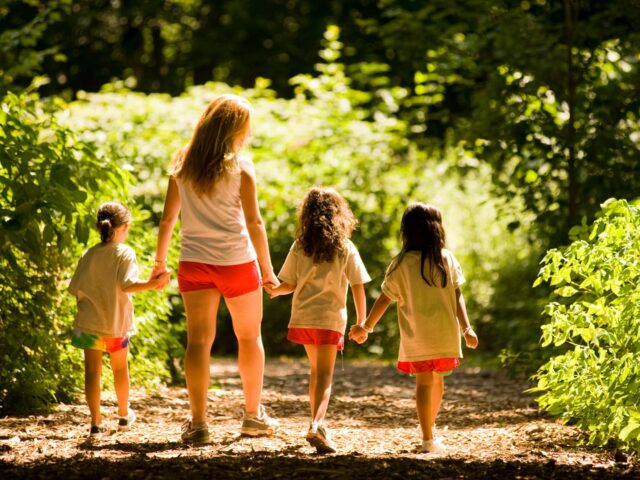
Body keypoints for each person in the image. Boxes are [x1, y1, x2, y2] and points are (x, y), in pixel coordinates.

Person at [150, 94, 280, 445]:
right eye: (246, 129)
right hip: (237, 262)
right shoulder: (241, 167)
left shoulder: (183, 162)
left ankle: (199, 424)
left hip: (194, 263)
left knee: (198, 342)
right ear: (234, 130)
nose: (248, 136)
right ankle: (253, 417)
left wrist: (158, 264)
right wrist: (268, 271)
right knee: (250, 337)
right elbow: (255, 223)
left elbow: (167, 220)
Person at [349, 202, 478, 454]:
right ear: (437, 229)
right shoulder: (428, 261)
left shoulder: (422, 261)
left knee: (430, 383)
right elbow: (455, 295)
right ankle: (429, 436)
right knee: (431, 382)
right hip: (436, 335)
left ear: (407, 231)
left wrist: (467, 328)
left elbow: (387, 299)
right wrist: (366, 326)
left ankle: (427, 430)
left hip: (426, 335)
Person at [265, 187, 370, 453]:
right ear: (339, 215)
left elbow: (288, 282)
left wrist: (275, 290)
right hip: (329, 319)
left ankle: (316, 422)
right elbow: (358, 285)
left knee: (316, 373)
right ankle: (317, 423)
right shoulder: (345, 247)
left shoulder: (301, 246)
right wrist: (362, 322)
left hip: (302, 318)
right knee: (325, 375)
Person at [69, 201, 170, 438]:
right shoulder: (125, 252)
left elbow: (75, 288)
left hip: (87, 324)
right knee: (119, 369)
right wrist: (154, 283)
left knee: (92, 373)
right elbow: (127, 285)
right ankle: (124, 415)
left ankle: (95, 423)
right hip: (115, 324)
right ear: (124, 227)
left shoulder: (88, 254)